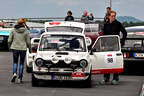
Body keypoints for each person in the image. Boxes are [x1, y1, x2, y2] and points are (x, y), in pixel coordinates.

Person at [100, 11, 127, 85]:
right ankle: (106, 78)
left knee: (115, 62)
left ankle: (115, 78)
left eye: (114, 16)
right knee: (106, 61)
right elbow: (103, 36)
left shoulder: (118, 24)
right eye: (112, 16)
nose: (113, 17)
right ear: (108, 16)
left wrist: (122, 42)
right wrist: (102, 45)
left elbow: (125, 33)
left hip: (116, 46)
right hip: (107, 46)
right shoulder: (106, 25)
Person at [8, 18, 31, 84]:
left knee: (15, 62)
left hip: (15, 48)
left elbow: (9, 40)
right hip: (23, 49)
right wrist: (30, 49)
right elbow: (28, 42)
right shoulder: (26, 31)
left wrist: (9, 47)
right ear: (24, 23)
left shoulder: (13, 30)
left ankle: (14, 73)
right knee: (21, 63)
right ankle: (19, 78)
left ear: (18, 22)